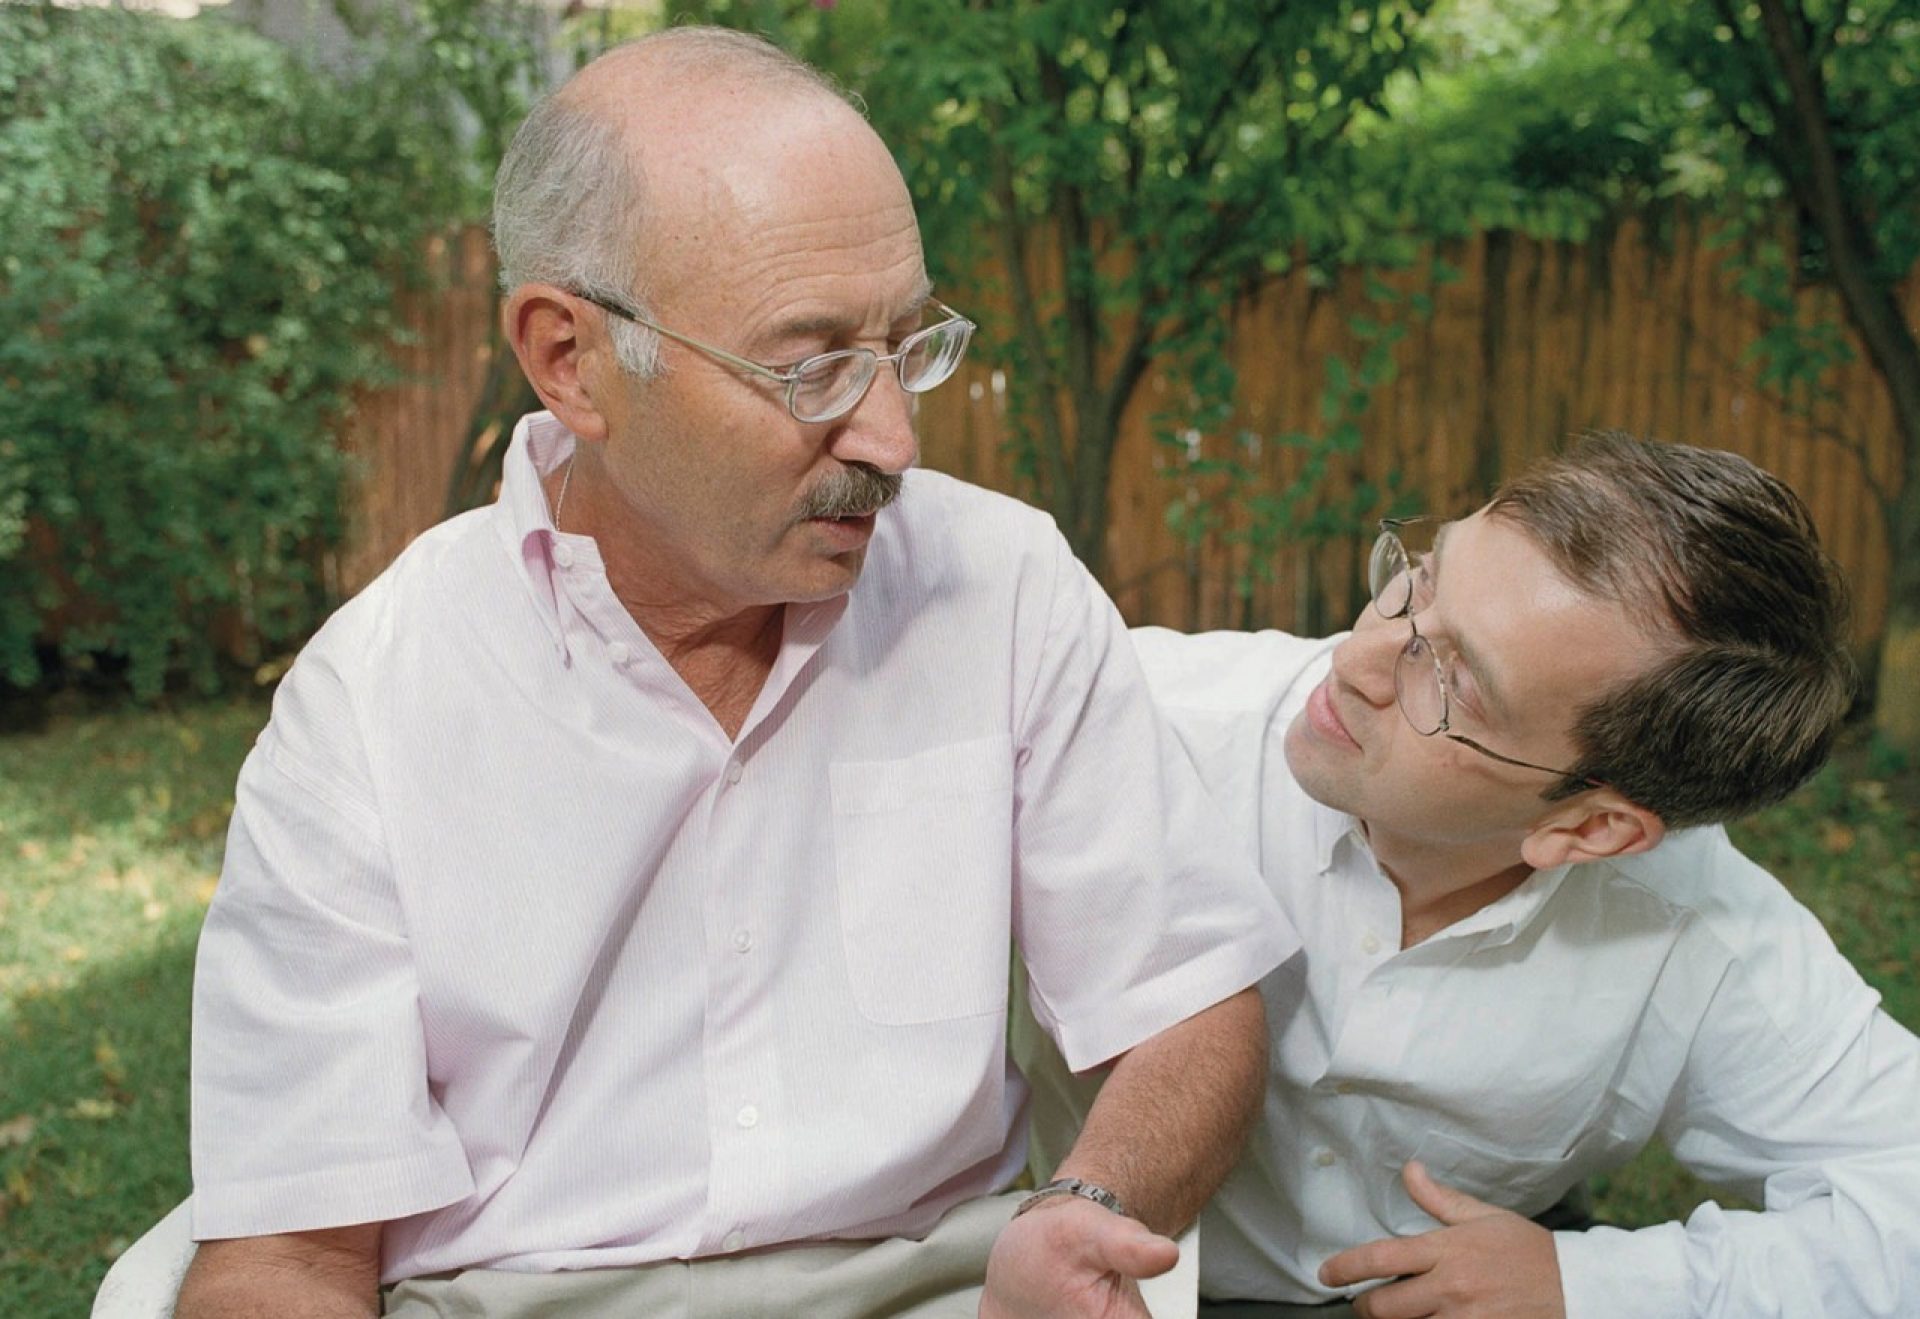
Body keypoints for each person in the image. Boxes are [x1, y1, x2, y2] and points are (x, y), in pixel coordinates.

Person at [177, 28, 1295, 1319]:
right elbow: (286, 1258)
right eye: (813, 365)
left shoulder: (1003, 587)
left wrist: (1087, 1211)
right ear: (570, 359)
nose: (892, 434)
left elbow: (1191, 1003)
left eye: (909, 342)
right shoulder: (368, 704)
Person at [1023, 432, 1920, 1317]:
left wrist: (1586, 1287)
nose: (1357, 656)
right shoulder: (1116, 729)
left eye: (1455, 680)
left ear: (1591, 827)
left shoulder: (1699, 934)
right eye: (1421, 579)